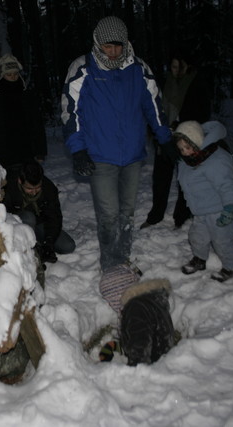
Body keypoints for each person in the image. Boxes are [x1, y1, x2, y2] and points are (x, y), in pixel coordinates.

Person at [61, 16, 171, 271]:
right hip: (100, 155)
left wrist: (164, 138)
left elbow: (153, 105)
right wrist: (78, 149)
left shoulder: (139, 69)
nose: (113, 52)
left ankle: (123, 258)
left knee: (127, 214)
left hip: (132, 155)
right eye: (107, 46)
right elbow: (70, 110)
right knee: (109, 215)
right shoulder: (83, 68)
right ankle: (111, 266)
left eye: (118, 46)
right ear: (98, 43)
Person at [141, 51, 211, 230]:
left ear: (187, 65)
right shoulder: (165, 82)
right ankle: (156, 215)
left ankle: (182, 216)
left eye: (178, 66)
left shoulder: (197, 83)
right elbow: (155, 108)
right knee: (160, 179)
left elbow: (202, 113)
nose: (175, 70)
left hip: (187, 138)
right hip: (165, 137)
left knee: (185, 180)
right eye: (172, 66)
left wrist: (184, 128)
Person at [174, 121, 233, 282]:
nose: (185, 152)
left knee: (222, 241)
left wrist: (230, 207)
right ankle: (199, 259)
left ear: (196, 142)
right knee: (197, 237)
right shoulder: (187, 162)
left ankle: (231, 267)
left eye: (187, 148)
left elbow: (227, 185)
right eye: (181, 149)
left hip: (219, 211)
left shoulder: (215, 159)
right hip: (199, 211)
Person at [0, 54, 47, 178]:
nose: (13, 77)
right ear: (2, 75)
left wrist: (40, 151)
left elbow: (36, 123)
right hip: (2, 153)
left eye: (15, 74)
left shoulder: (27, 95)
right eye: (9, 74)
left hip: (27, 151)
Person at [98, 260, 175, 366]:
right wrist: (117, 346)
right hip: (161, 358)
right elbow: (142, 334)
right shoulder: (148, 301)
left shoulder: (136, 309)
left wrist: (133, 375)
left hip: (154, 367)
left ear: (118, 293)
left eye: (110, 299)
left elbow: (140, 350)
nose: (110, 304)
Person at [3, 161, 75, 263]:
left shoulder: (48, 188)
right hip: (16, 226)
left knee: (68, 246)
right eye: (29, 188)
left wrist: (48, 243)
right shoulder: (8, 187)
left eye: (38, 187)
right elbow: (3, 216)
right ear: (20, 181)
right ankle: (29, 250)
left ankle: (38, 243)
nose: (34, 192)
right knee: (28, 217)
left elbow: (54, 217)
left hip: (39, 224)